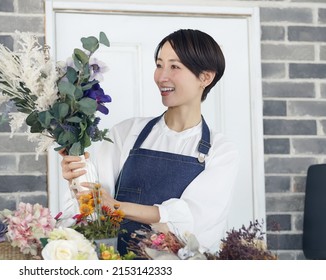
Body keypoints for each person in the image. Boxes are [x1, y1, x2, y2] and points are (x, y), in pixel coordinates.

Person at [59, 29, 240, 255]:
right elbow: (95, 212)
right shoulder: (126, 133)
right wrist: (78, 181)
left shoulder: (220, 151)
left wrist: (117, 207)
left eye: (174, 66)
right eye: (159, 64)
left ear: (205, 77)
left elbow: (194, 226)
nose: (161, 77)